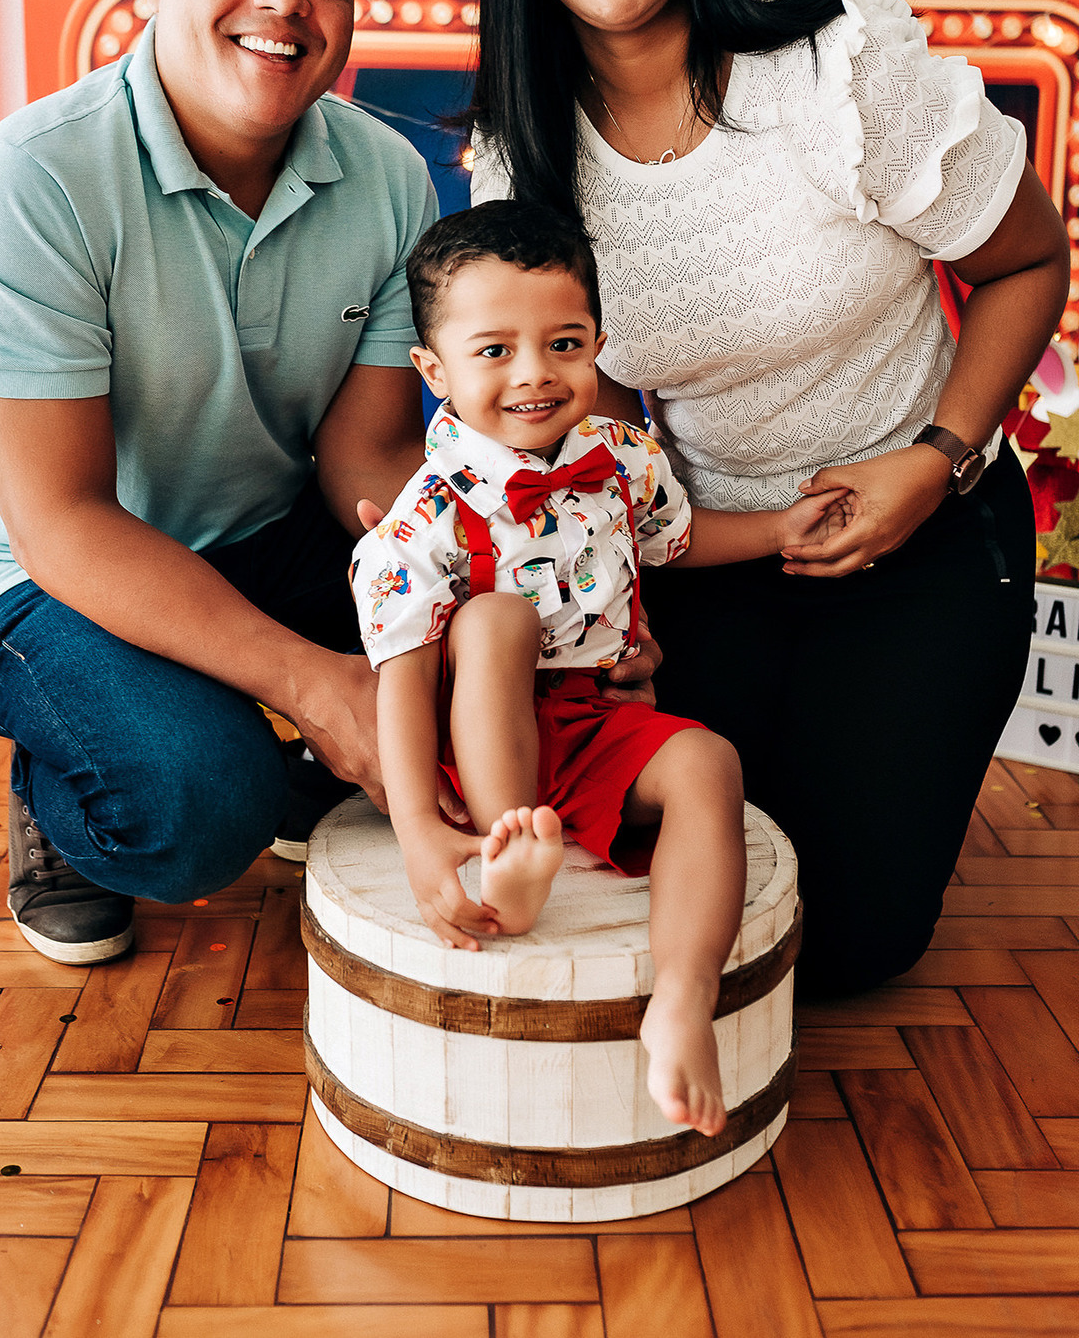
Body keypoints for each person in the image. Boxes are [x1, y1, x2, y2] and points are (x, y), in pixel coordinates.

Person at [468, 0, 1071, 996]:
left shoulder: (839, 73)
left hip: (928, 530)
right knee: (694, 879)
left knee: (844, 940)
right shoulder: (525, 154)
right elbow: (597, 417)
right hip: (714, 556)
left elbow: (1030, 261)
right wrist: (618, 608)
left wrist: (936, 459)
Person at [0, 0, 443, 967]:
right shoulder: (32, 179)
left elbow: (366, 463)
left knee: (483, 655)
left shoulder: (390, 177)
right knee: (200, 805)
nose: (286, 0)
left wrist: (505, 590)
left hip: (263, 532)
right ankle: (63, 777)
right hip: (43, 575)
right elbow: (61, 522)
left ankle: (287, 752)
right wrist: (316, 683)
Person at [352, 201, 847, 1130]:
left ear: (599, 346)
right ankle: (513, 848)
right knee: (495, 618)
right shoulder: (422, 517)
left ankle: (684, 997)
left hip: (594, 716)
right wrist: (418, 826)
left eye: (564, 344)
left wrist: (778, 529)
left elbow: (677, 542)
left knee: (709, 762)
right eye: (494, 350)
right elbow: (404, 675)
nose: (534, 373)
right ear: (434, 369)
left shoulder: (622, 458)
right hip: (477, 727)